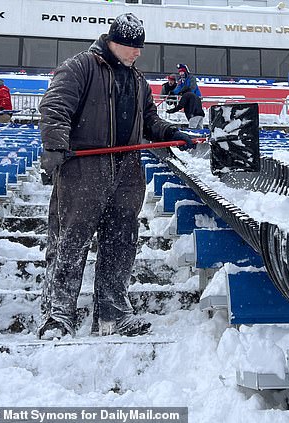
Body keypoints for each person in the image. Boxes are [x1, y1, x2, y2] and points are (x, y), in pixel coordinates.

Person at [37, 13, 195, 339]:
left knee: (121, 244)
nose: (137, 53)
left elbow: (149, 120)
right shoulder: (80, 66)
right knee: (70, 242)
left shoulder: (137, 80)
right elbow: (55, 107)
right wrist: (54, 149)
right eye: (131, 47)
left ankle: (113, 315)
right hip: (84, 169)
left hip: (126, 172)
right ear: (113, 41)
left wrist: (171, 131)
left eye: (140, 47)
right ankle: (57, 316)